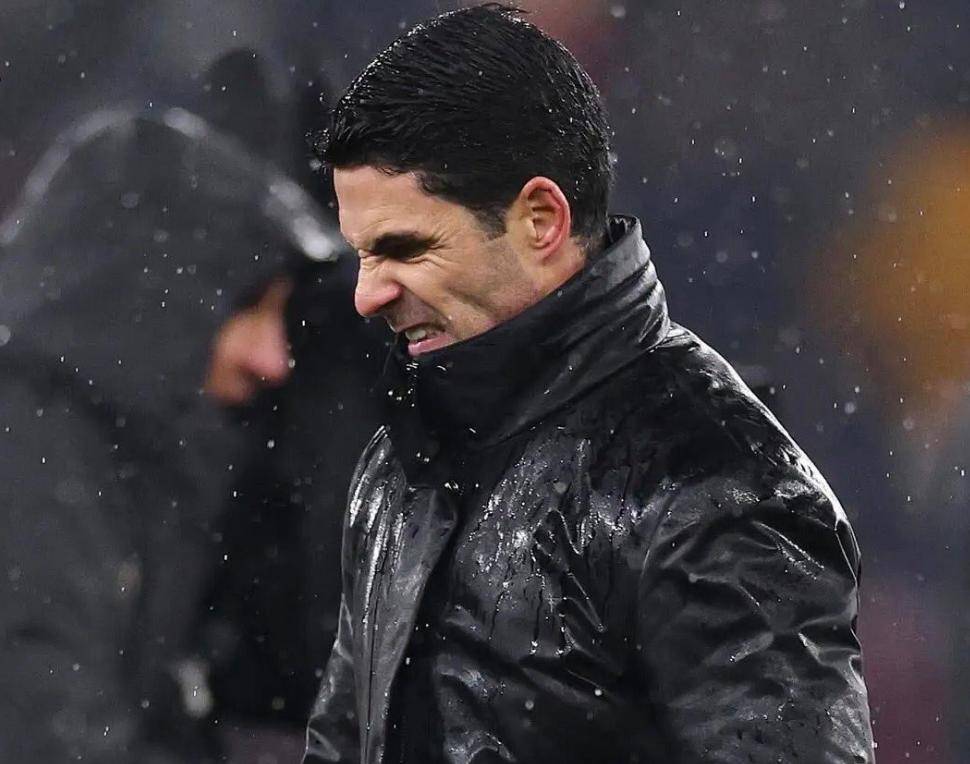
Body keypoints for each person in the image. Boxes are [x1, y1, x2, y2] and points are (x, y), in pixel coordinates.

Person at [303, 5, 874, 763]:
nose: (366, 294)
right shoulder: (400, 456)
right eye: (362, 254)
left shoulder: (715, 488)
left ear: (541, 220)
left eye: (405, 249)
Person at [0, 95, 341, 762]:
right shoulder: (28, 450)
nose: (273, 359)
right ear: (144, 293)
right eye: (246, 307)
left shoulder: (129, 453)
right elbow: (48, 735)